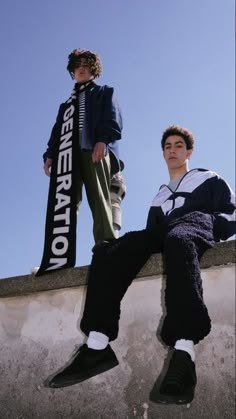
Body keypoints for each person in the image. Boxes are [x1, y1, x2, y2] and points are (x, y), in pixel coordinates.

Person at [47, 125, 236, 404]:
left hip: (197, 223)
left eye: (178, 145)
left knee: (179, 239)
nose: (172, 150)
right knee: (108, 251)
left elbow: (231, 213)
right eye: (168, 146)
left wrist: (212, 228)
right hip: (168, 231)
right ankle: (97, 344)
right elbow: (151, 237)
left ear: (189, 151)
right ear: (163, 154)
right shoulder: (159, 196)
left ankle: (184, 352)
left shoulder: (207, 177)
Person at [36, 49, 126, 275]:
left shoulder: (105, 92)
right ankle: (59, 256)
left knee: (99, 197)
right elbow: (57, 133)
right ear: (72, 71)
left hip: (94, 150)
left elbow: (113, 120)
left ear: (93, 69)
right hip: (68, 157)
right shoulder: (65, 106)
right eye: (77, 66)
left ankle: (106, 247)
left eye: (86, 65)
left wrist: (102, 140)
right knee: (65, 203)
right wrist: (50, 155)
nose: (82, 69)